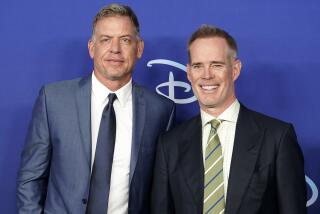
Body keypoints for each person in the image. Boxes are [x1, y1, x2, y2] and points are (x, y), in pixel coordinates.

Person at [17, 3, 175, 214]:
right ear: (92, 48)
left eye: (125, 40)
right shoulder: (53, 100)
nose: (115, 49)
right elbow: (30, 179)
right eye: (106, 39)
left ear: (139, 49)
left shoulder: (161, 110)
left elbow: (160, 193)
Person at [151, 25, 307, 214]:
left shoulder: (277, 138)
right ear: (189, 73)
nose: (207, 75)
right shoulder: (169, 145)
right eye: (198, 66)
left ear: (235, 70)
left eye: (216, 65)